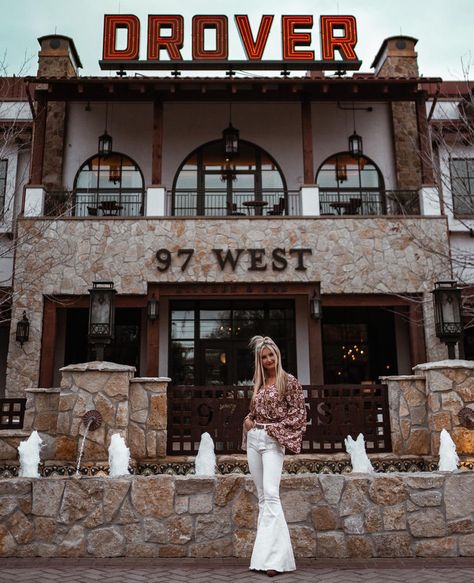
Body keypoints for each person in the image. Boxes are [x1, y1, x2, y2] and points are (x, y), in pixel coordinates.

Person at [242, 335, 307, 577]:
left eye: (271, 355)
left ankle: (276, 561)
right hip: (254, 440)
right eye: (264, 357)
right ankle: (264, 558)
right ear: (259, 361)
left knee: (271, 494)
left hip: (271, 442)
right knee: (262, 498)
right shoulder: (259, 383)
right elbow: (254, 413)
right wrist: (248, 421)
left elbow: (299, 416)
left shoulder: (289, 382)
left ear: (277, 355)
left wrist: (272, 428)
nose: (268, 360)